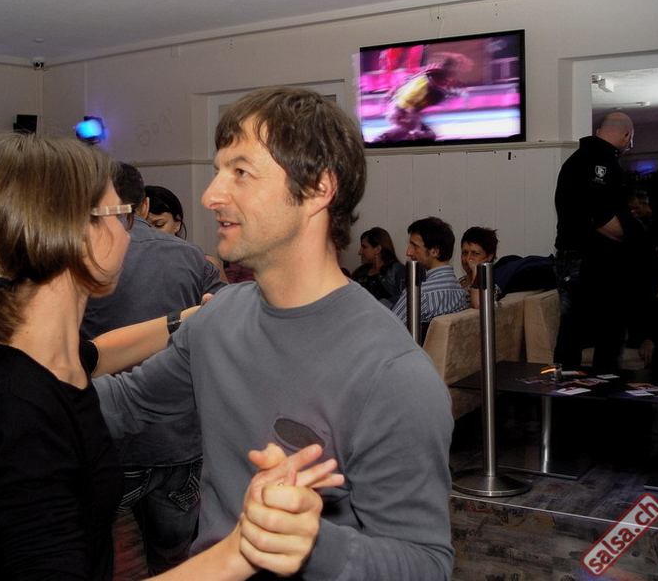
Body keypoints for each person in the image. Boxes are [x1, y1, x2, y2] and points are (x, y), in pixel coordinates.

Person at [95, 86, 455, 579]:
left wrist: (313, 545)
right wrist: (13, 395)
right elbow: (127, 402)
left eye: (240, 172)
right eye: (219, 170)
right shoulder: (217, 319)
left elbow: (425, 563)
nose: (210, 195)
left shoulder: (392, 373)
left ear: (318, 189)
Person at [0, 132, 331, 581]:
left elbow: (99, 353)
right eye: (121, 216)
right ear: (75, 234)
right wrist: (241, 550)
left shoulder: (36, 354)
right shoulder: (15, 413)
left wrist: (190, 318)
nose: (130, 234)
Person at [81, 162, 226, 575]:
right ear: (142, 205)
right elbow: (221, 326)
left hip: (107, 436)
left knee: (86, 556)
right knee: (173, 560)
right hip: (178, 438)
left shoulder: (82, 259)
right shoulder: (192, 257)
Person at [552, 112, 639, 370]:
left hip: (573, 259)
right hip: (588, 261)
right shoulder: (600, 161)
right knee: (606, 332)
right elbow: (600, 218)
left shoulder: (578, 158)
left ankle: (565, 388)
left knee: (573, 333)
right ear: (627, 136)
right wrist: (636, 240)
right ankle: (601, 388)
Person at [391, 216, 467, 327]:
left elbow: (389, 329)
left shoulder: (419, 294)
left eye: (415, 246)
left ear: (435, 251)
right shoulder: (459, 290)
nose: (408, 252)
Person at [145, 184, 228, 282]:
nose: (151, 233)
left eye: (159, 225)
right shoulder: (131, 266)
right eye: (143, 226)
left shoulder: (206, 266)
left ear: (177, 223)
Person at [351, 226, 405, 307]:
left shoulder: (397, 271)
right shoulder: (359, 273)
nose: (360, 252)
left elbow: (402, 299)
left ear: (378, 249)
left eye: (364, 247)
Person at [458, 226, 499, 309]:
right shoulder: (458, 283)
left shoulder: (490, 286)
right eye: (465, 253)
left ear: (489, 256)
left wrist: (476, 272)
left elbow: (478, 305)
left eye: (475, 253)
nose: (468, 259)